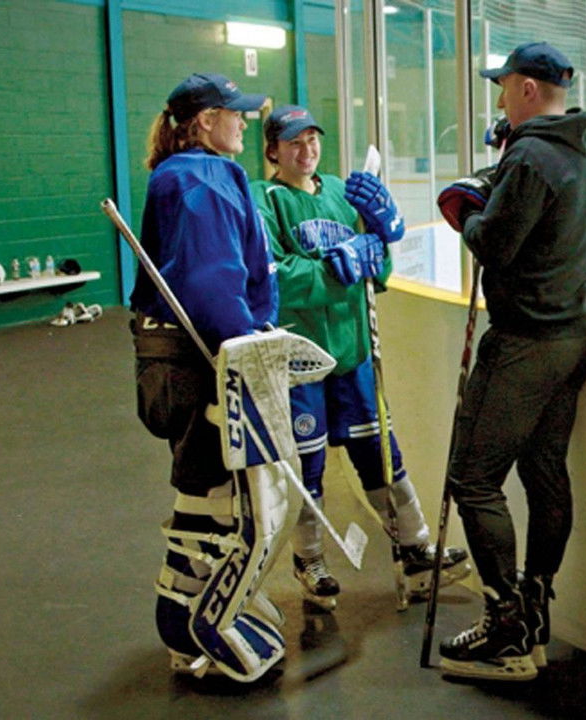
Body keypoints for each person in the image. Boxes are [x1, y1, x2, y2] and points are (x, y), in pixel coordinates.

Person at [248, 104, 470, 610]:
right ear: (273, 150)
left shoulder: (340, 195)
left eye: (312, 140)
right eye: (293, 142)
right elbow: (274, 279)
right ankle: (310, 558)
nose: (306, 150)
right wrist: (335, 269)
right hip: (300, 360)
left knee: (380, 455)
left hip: (353, 354)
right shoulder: (266, 201)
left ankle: (414, 549)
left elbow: (377, 271)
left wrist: (380, 246)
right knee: (308, 464)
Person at [435, 41, 586, 681]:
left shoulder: (532, 156)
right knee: (542, 470)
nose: (499, 97)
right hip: (574, 335)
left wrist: (470, 209)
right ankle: (534, 608)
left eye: (503, 86)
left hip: (526, 341)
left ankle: (507, 629)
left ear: (529, 89)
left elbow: (495, 246)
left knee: (473, 478)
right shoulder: (584, 153)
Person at [129, 72, 291, 681]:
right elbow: (209, 281)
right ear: (204, 121)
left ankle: (204, 604)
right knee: (212, 492)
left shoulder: (197, 174)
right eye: (235, 114)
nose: (244, 122)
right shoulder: (197, 179)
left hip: (192, 355)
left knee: (213, 484)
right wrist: (248, 346)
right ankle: (182, 619)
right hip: (201, 359)